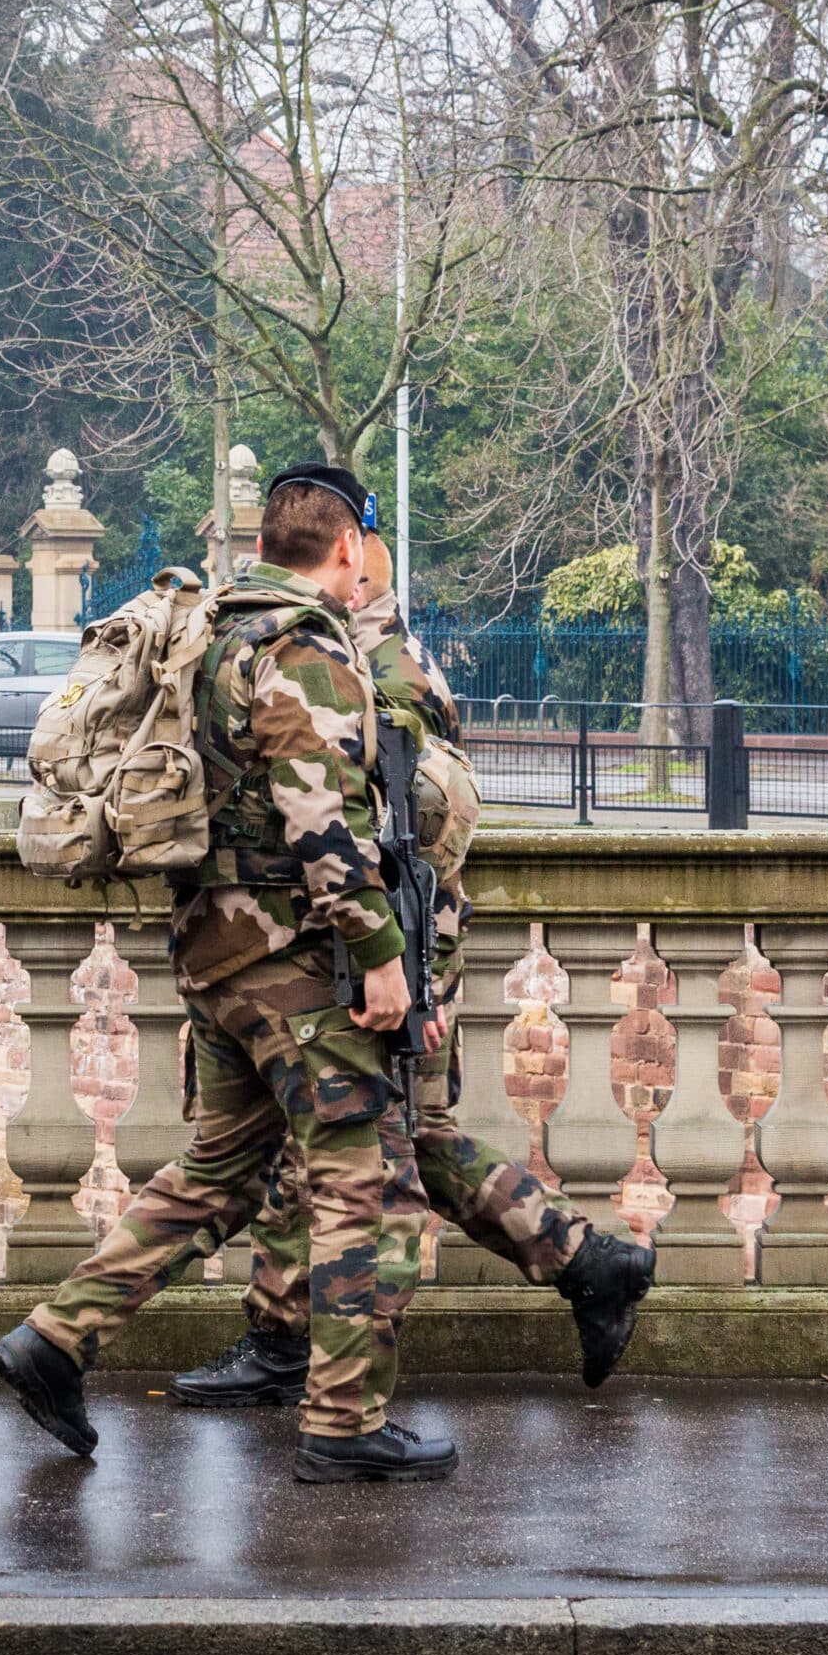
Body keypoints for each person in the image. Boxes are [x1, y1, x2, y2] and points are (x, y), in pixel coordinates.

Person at [0, 464, 453, 1481]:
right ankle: (344, 1423)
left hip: (216, 952)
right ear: (346, 545)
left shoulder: (212, 634)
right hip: (299, 962)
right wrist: (381, 958)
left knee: (218, 1173)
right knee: (365, 1186)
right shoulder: (303, 648)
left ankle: (55, 1338)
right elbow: (320, 820)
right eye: (365, 549)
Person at [169, 528, 653, 1410]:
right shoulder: (344, 649)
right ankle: (585, 1262)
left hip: (392, 943)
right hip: (357, 943)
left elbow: (396, 830)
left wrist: (407, 975)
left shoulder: (379, 668)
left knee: (367, 1139)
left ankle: (301, 1346)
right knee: (356, 1135)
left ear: (356, 575)